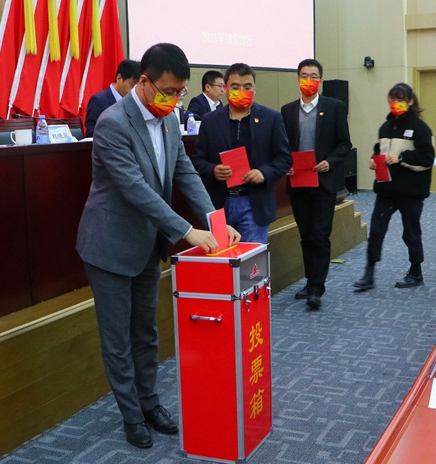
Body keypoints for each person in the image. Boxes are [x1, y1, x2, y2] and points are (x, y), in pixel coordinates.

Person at [76, 43, 240, 449]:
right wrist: (187, 231)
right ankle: (131, 416)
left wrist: (215, 223)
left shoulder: (169, 121)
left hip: (147, 244)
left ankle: (149, 403)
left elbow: (186, 173)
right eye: (168, 91)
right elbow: (135, 189)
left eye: (181, 92)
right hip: (110, 247)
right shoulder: (113, 123)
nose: (175, 99)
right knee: (118, 340)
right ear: (145, 83)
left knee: (146, 332)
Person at [191, 63, 293, 243]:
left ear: (254, 89)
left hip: (255, 203)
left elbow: (284, 158)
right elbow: (197, 160)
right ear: (225, 88)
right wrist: (213, 170)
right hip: (220, 202)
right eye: (236, 87)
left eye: (247, 87)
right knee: (222, 256)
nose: (242, 91)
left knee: (251, 259)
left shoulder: (271, 118)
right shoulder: (210, 120)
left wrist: (263, 173)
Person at [280, 59, 351, 309]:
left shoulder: (334, 107)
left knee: (320, 236)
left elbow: (344, 143)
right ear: (297, 79)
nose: (308, 80)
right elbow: (283, 145)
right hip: (298, 181)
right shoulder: (287, 110)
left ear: (320, 80)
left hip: (323, 182)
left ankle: (316, 289)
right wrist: (285, 164)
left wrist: (329, 162)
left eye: (313, 76)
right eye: (304, 75)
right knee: (306, 236)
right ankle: (310, 280)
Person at [353, 83, 435, 291]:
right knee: (376, 231)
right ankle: (369, 274)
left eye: (400, 100)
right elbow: (379, 150)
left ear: (410, 101)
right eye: (392, 100)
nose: (395, 103)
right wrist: (374, 159)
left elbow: (427, 158)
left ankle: (416, 272)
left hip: (411, 192)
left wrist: (401, 158)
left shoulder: (420, 128)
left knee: (411, 233)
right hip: (386, 190)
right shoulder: (385, 127)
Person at [84, 59, 140, 137]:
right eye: (133, 84)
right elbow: (91, 134)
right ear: (119, 78)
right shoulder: (98, 101)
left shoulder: (135, 102)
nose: (135, 90)